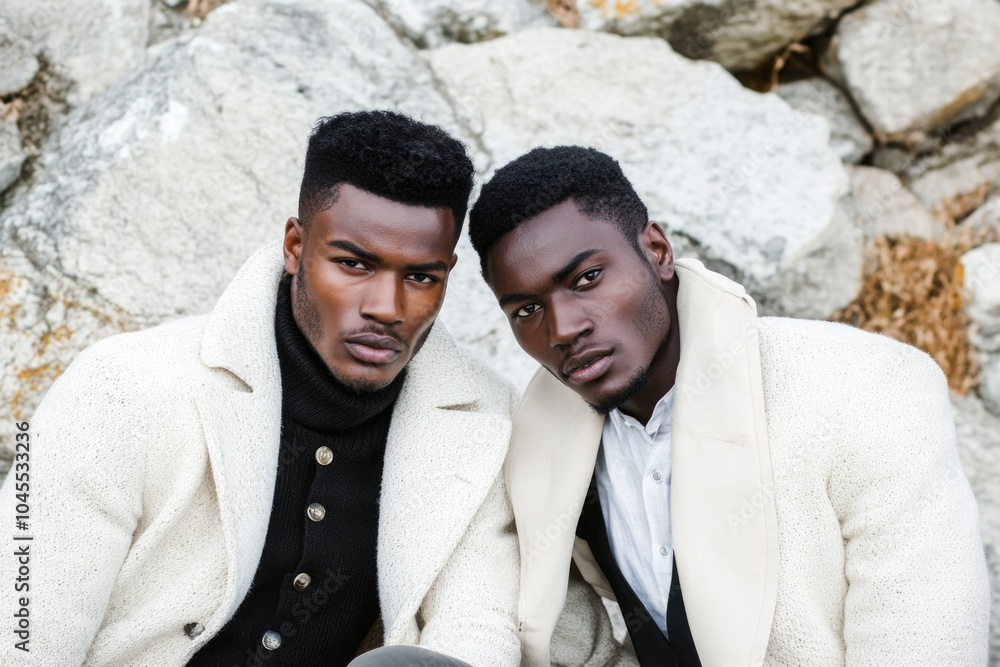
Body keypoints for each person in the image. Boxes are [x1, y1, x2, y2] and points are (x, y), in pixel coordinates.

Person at [0, 110, 520, 667]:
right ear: (296, 246)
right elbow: (23, 628)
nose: (387, 309)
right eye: (353, 264)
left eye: (420, 277)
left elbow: (477, 630)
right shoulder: (118, 387)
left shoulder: (484, 422)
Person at [467, 145, 991, 666]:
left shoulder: (864, 388)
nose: (562, 329)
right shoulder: (542, 448)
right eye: (527, 310)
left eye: (586, 279)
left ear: (657, 251)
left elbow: (926, 646)